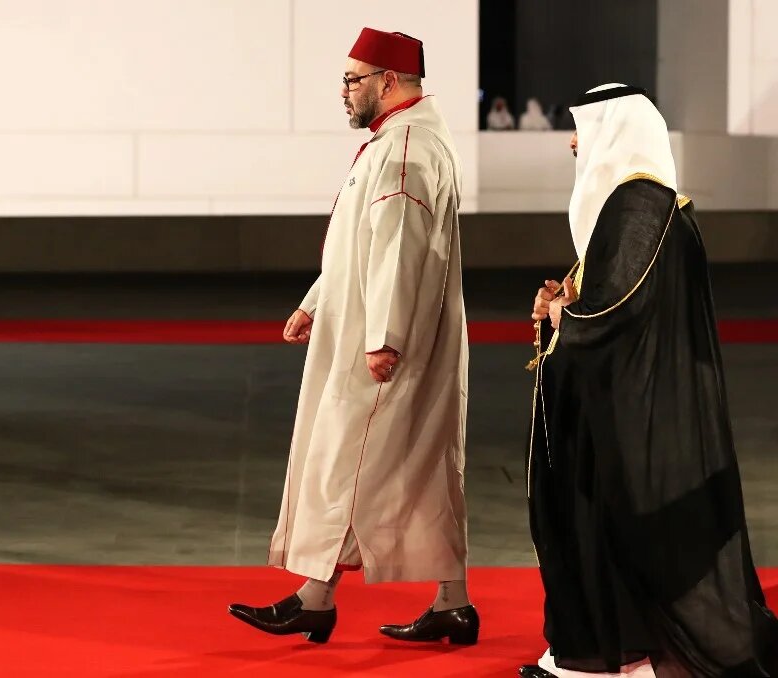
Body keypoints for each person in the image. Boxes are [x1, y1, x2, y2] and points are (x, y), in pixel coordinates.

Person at [228, 27, 478, 646]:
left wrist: (383, 336)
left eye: (352, 79)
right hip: (392, 331)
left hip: (387, 342)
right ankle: (453, 602)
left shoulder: (405, 150)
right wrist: (316, 302)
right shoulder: (402, 140)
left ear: (389, 81)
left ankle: (316, 599)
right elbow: (361, 245)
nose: (344, 91)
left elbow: (399, 247)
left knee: (350, 463)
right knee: (420, 466)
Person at [520, 83, 778, 678]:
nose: (574, 143)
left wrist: (565, 315)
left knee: (621, 526)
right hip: (637, 400)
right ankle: (616, 653)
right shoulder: (644, 205)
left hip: (634, 411)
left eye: (582, 127)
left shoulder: (639, 205)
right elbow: (616, 294)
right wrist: (566, 299)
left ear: (614, 129)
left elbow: (615, 313)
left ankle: (619, 659)